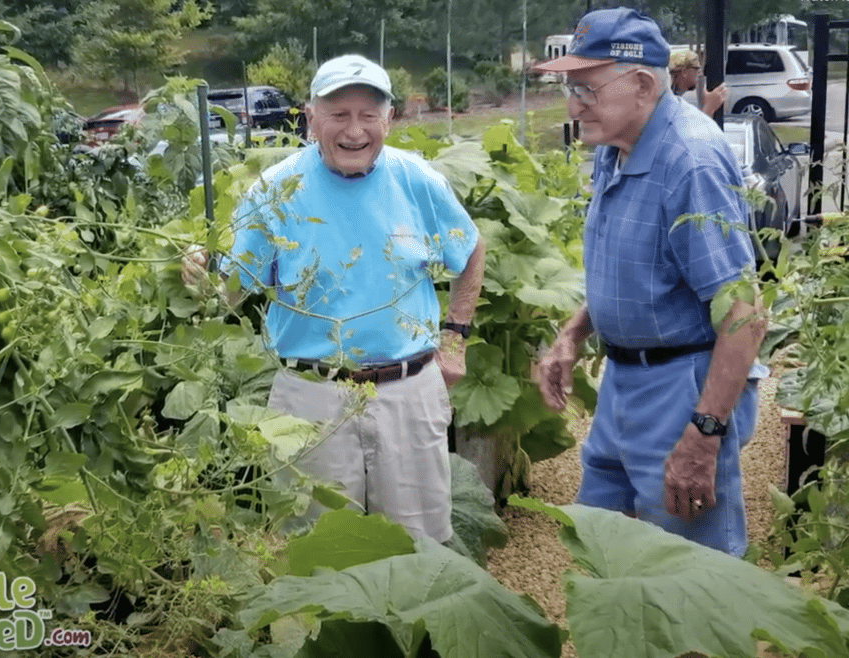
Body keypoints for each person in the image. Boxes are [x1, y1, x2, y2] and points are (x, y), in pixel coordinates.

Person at [183, 54, 486, 543]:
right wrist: (201, 272)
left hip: (406, 392)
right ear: (310, 118)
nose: (354, 131)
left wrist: (455, 338)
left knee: (419, 548)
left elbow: (470, 251)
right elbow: (230, 290)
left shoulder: (418, 180)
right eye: (338, 114)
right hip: (310, 396)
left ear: (388, 119)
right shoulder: (276, 189)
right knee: (314, 550)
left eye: (369, 115)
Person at [532, 8, 768, 556]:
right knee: (601, 546)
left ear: (641, 84)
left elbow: (744, 313)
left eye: (586, 90)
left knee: (687, 572)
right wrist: (572, 334)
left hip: (682, 383)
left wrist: (703, 434)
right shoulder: (616, 147)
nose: (573, 106)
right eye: (570, 89)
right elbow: (631, 269)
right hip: (624, 381)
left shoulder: (690, 162)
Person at [669, 48, 728, 117]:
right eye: (697, 68)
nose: (699, 73)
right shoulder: (669, 100)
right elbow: (690, 127)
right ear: (684, 72)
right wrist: (709, 107)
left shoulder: (670, 94)